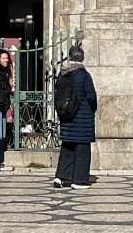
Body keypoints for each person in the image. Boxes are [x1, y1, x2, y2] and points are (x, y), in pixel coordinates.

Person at [52, 43, 97, 189]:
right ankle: (79, 180)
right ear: (82, 58)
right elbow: (91, 96)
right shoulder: (83, 75)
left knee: (67, 147)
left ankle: (61, 177)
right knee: (82, 149)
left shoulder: (63, 73)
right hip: (82, 118)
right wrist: (92, 109)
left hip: (67, 117)